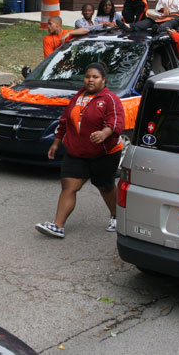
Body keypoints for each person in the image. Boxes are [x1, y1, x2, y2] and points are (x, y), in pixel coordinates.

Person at [35, 63, 125, 238]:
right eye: (87, 76)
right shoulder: (78, 97)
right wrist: (56, 142)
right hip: (77, 152)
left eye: (95, 77)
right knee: (69, 185)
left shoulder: (110, 99)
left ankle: (117, 216)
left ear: (103, 80)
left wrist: (105, 133)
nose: (90, 80)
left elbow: (116, 122)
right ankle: (58, 226)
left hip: (104, 153)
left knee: (105, 186)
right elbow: (65, 121)